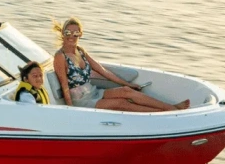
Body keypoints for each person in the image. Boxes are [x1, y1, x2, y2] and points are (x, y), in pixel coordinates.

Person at [52, 17, 189, 112]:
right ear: (63, 34)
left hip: (93, 92)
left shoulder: (80, 51)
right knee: (121, 103)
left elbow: (103, 71)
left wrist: (128, 84)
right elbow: (64, 85)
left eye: (75, 33)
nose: (71, 36)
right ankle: (167, 112)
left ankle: (170, 107)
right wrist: (71, 110)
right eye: (68, 32)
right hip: (81, 101)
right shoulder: (60, 56)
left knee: (126, 91)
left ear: (80, 34)